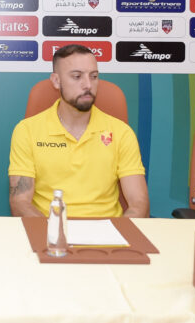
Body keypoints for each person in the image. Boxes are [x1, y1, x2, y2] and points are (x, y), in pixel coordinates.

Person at [8, 44, 149, 218]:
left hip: (107, 229)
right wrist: (54, 232)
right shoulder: (27, 131)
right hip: (48, 228)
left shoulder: (121, 132)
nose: (88, 85)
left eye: (94, 76)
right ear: (56, 81)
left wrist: (118, 232)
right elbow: (20, 202)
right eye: (77, 76)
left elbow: (139, 203)